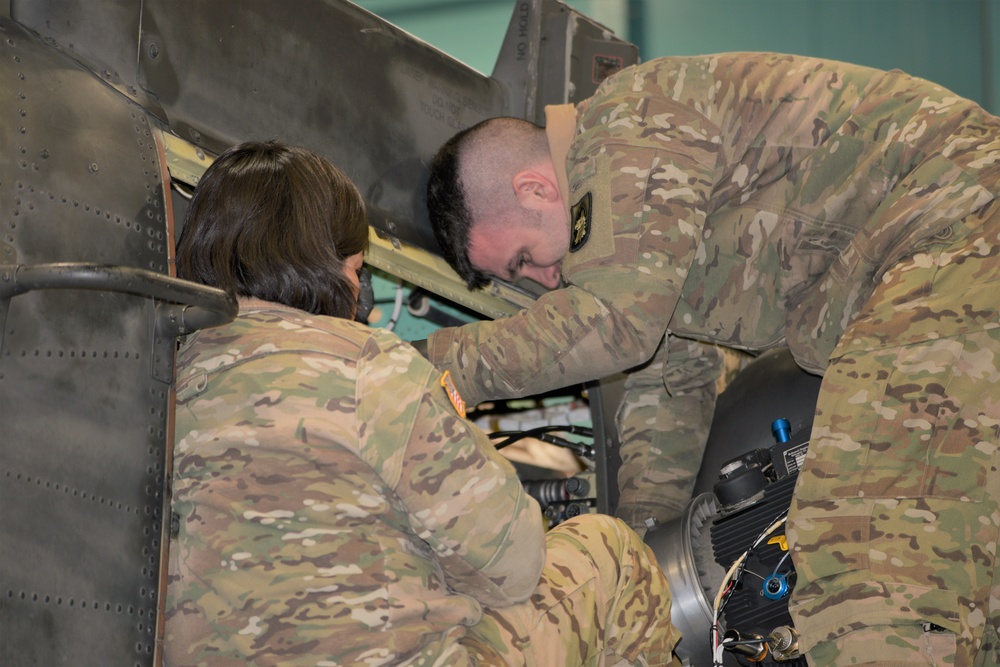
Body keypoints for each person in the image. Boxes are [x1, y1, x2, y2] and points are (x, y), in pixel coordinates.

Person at [422, 52, 1000, 665]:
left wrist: (415, 368)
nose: (547, 281)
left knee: (862, 553)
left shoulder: (626, 124)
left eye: (525, 260)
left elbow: (617, 324)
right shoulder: (645, 235)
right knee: (953, 572)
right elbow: (670, 385)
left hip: (956, 232)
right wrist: (636, 564)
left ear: (535, 188)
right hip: (948, 262)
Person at [163, 140, 679, 666]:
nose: (356, 289)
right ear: (328, 261)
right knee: (610, 551)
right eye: (356, 269)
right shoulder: (368, 367)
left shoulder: (171, 376)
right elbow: (514, 565)